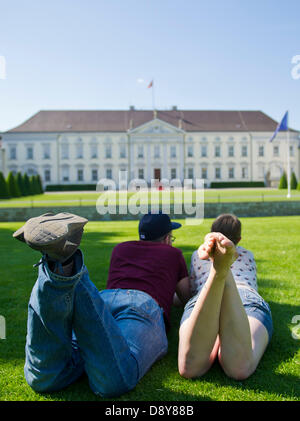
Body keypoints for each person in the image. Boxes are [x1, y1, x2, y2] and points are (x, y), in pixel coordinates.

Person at [13, 211, 190, 397]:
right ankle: (66, 261)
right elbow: (185, 296)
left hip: (104, 299)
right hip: (142, 303)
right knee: (114, 379)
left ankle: (62, 262)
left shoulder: (121, 248)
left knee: (48, 376)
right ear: (167, 238)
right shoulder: (173, 253)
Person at [178, 214, 273, 381]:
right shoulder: (247, 254)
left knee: (189, 367)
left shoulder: (198, 255)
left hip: (205, 294)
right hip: (244, 294)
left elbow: (192, 288)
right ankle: (223, 269)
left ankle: (219, 271)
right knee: (239, 367)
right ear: (239, 238)